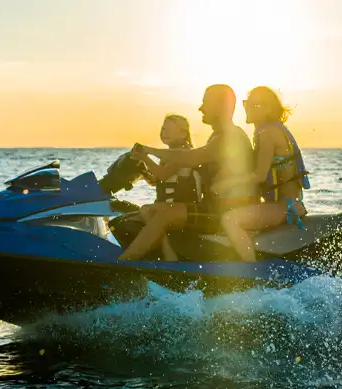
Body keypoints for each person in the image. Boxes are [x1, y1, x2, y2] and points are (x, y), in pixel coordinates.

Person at [117, 84, 255, 260]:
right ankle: (171, 260)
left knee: (164, 215)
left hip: (226, 210)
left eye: (205, 102)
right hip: (213, 206)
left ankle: (126, 261)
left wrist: (148, 151)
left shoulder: (230, 137)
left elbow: (192, 158)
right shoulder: (217, 136)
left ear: (222, 105)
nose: (200, 108)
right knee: (148, 211)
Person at [211, 86, 310, 262]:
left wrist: (227, 184)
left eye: (253, 105)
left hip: (285, 207)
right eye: (246, 103)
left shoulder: (267, 132)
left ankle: (252, 273)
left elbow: (259, 176)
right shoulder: (271, 129)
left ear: (268, 109)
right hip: (287, 205)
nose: (247, 108)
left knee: (230, 220)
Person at [131, 114, 203, 261]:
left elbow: (163, 175)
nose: (165, 133)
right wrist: (142, 170)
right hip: (167, 206)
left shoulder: (184, 153)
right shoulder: (168, 155)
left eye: (170, 130)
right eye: (163, 129)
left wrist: (144, 157)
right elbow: (157, 180)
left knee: (146, 210)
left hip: (181, 208)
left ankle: (168, 253)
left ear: (183, 134)